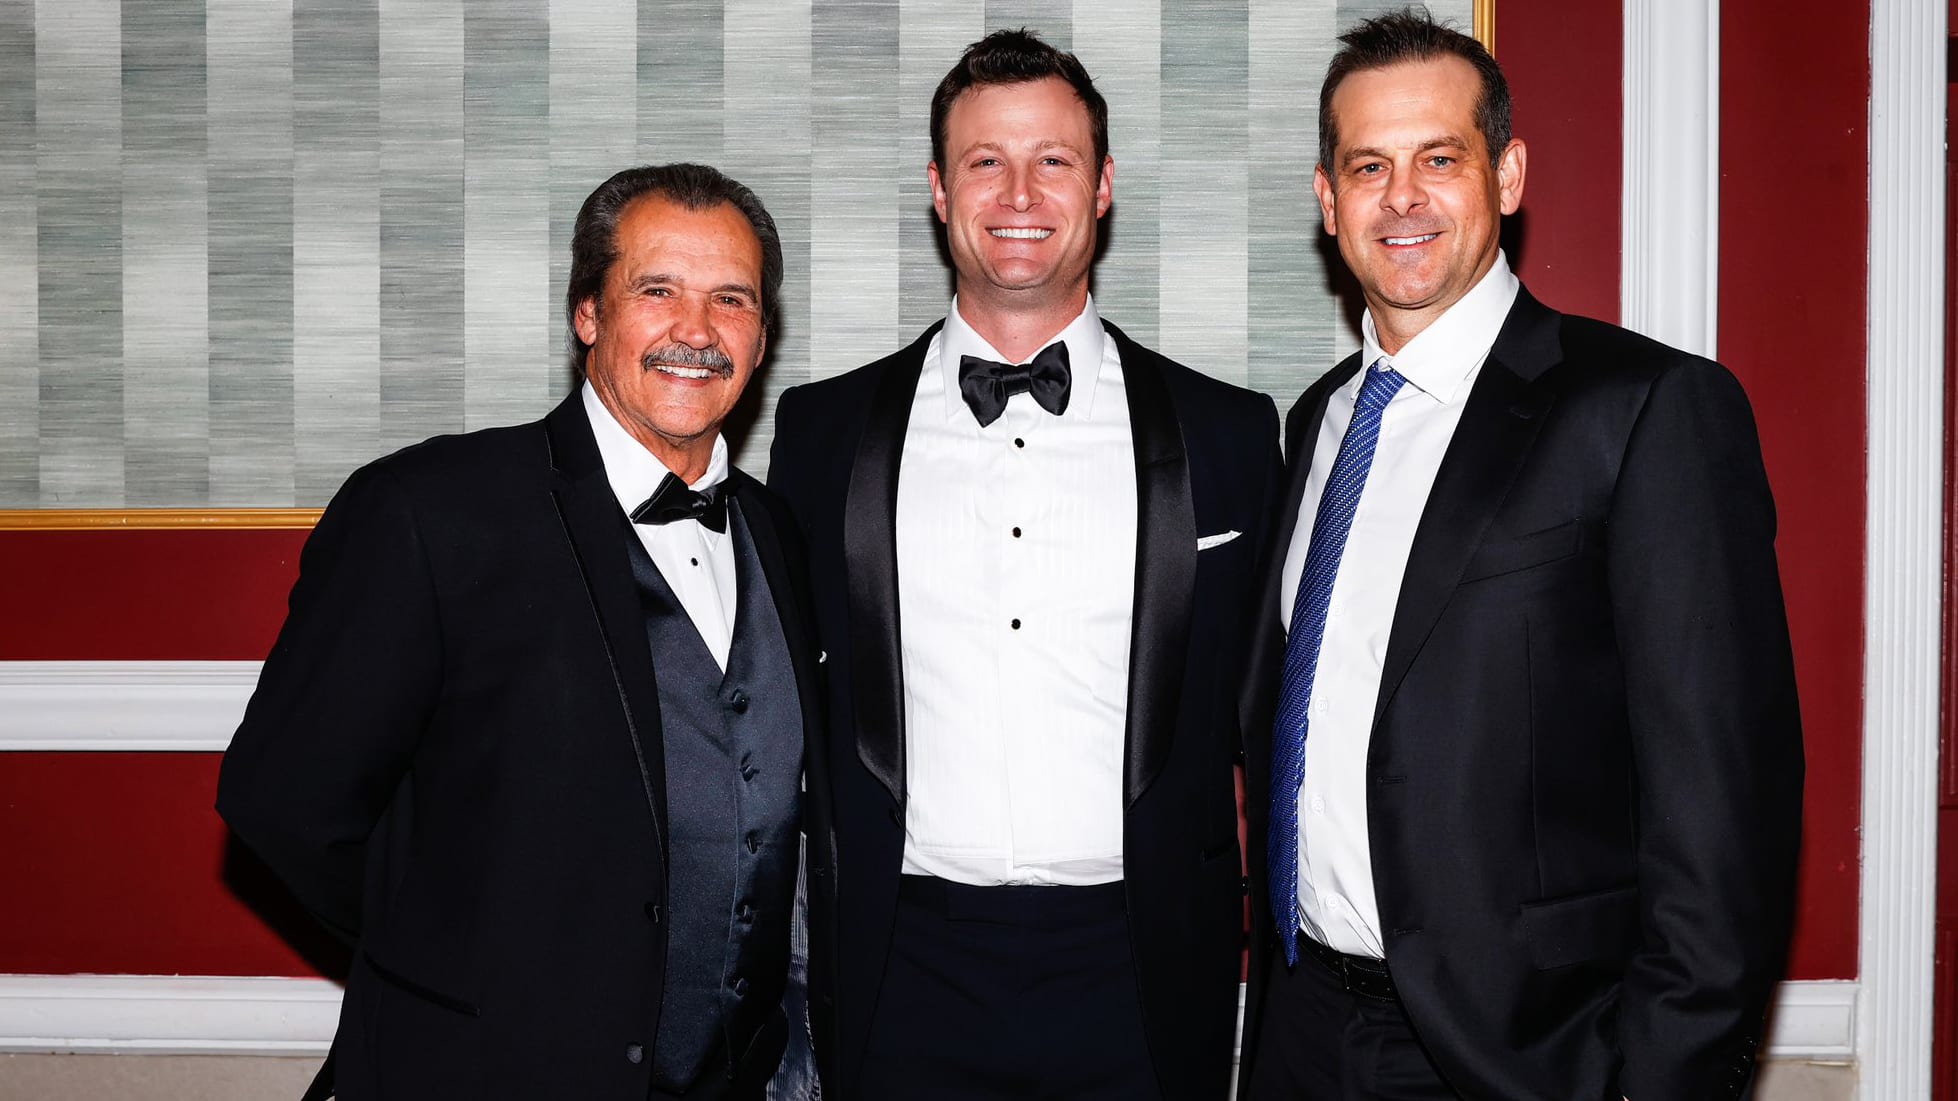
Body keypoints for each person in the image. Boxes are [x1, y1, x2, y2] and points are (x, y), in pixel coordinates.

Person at [1238, 10, 1804, 1101]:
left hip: (1526, 1056)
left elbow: (1722, 806)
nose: (1401, 196)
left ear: (1505, 175)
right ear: (1327, 202)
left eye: (1436, 159)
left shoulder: (1641, 411)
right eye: (1367, 166)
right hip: (1303, 1035)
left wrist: (1661, 1078)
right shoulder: (1315, 426)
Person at [218, 163, 833, 1101]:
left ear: (762, 333)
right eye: (656, 290)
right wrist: (461, 975)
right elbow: (283, 802)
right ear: (589, 311)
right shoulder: (430, 511)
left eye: (731, 300)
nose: (696, 331)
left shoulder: (776, 531)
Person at [767, 28, 1280, 1101]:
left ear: (1100, 187)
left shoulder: (1230, 434)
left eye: (1052, 159)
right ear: (938, 190)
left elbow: (1267, 721)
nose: (1018, 191)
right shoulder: (818, 434)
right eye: (983, 161)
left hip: (1140, 972)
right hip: (896, 965)